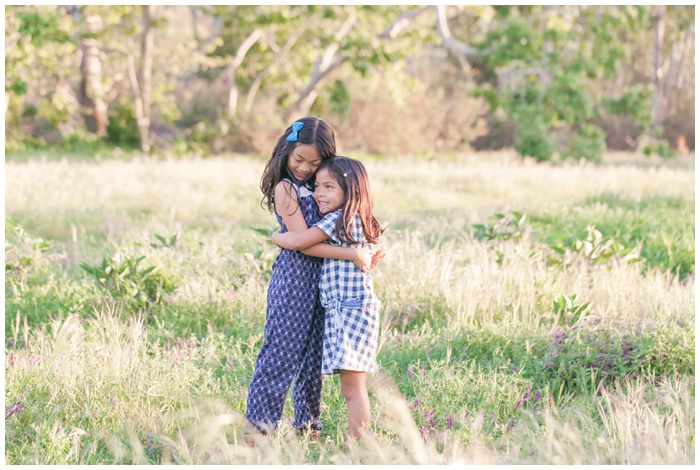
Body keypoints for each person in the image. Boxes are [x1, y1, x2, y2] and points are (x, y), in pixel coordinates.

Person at [245, 118, 380, 443]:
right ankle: (258, 434)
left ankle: (308, 429)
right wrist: (282, 238)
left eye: (314, 163)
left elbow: (349, 222)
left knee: (312, 363)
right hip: (295, 280)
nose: (305, 168)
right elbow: (301, 241)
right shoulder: (285, 188)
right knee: (280, 355)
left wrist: (366, 246)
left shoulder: (327, 184)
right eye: (299, 160)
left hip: (328, 283)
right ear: (286, 152)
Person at [272, 156, 383, 441]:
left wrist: (277, 236)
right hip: (345, 310)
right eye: (317, 186)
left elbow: (300, 243)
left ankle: (359, 447)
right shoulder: (353, 216)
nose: (319, 193)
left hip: (351, 312)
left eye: (328, 187)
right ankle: (357, 444)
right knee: (352, 387)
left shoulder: (338, 218)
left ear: (351, 190)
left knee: (352, 388)